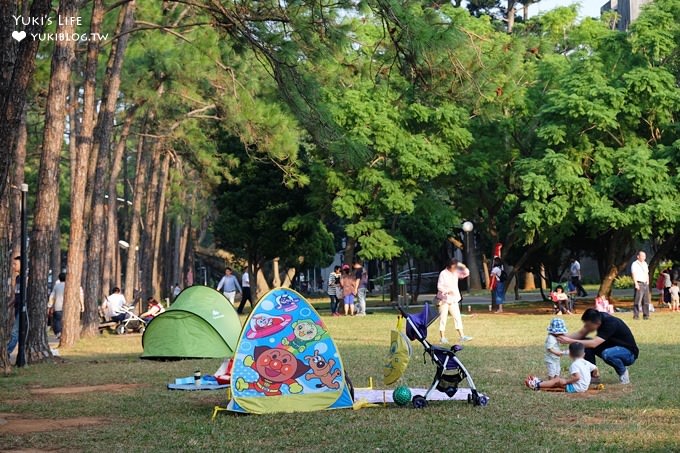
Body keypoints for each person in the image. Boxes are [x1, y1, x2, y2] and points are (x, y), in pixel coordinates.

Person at [558, 308, 638, 384]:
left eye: (588, 325)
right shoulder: (597, 318)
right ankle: (593, 376)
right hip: (612, 347)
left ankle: (623, 372)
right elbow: (581, 334)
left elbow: (594, 343)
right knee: (585, 343)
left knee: (607, 354)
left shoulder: (610, 323)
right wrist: (563, 336)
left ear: (597, 323)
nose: (586, 327)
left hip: (629, 354)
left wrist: (570, 341)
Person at [525, 343, 599, 393]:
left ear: (570, 355)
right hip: (584, 386)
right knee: (557, 381)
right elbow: (595, 368)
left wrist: (566, 381)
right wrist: (596, 374)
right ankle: (541, 382)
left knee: (557, 381)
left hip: (577, 388)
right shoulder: (586, 362)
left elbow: (577, 377)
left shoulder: (575, 365)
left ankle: (536, 385)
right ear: (584, 354)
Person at [436, 258, 472, 343]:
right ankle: (442, 337)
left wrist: (461, 265)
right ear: (449, 265)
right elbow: (439, 286)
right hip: (444, 299)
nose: (455, 268)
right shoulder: (443, 273)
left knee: (457, 317)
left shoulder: (455, 272)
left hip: (454, 299)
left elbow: (466, 273)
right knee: (443, 318)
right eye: (454, 266)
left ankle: (462, 336)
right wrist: (448, 291)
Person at [47, 272, 84, 339]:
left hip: (58, 307)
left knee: (57, 321)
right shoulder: (71, 286)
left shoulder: (56, 286)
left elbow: (52, 297)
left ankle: (59, 333)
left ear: (59, 278)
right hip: (69, 308)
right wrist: (82, 305)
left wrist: (49, 306)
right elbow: (80, 295)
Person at [7, 256, 21, 358]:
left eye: (15, 264)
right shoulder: (18, 278)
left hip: (23, 309)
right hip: (17, 307)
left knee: (15, 331)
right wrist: (8, 305)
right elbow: (16, 295)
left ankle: (7, 351)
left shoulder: (27, 277)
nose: (13, 266)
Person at [631, 251, 650, 320]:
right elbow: (633, 274)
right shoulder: (635, 264)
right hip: (639, 283)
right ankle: (636, 316)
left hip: (645, 283)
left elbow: (647, 273)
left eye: (644, 256)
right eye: (642, 256)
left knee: (646, 301)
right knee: (637, 301)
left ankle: (646, 315)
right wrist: (636, 283)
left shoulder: (645, 263)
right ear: (638, 256)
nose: (643, 257)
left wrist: (648, 281)